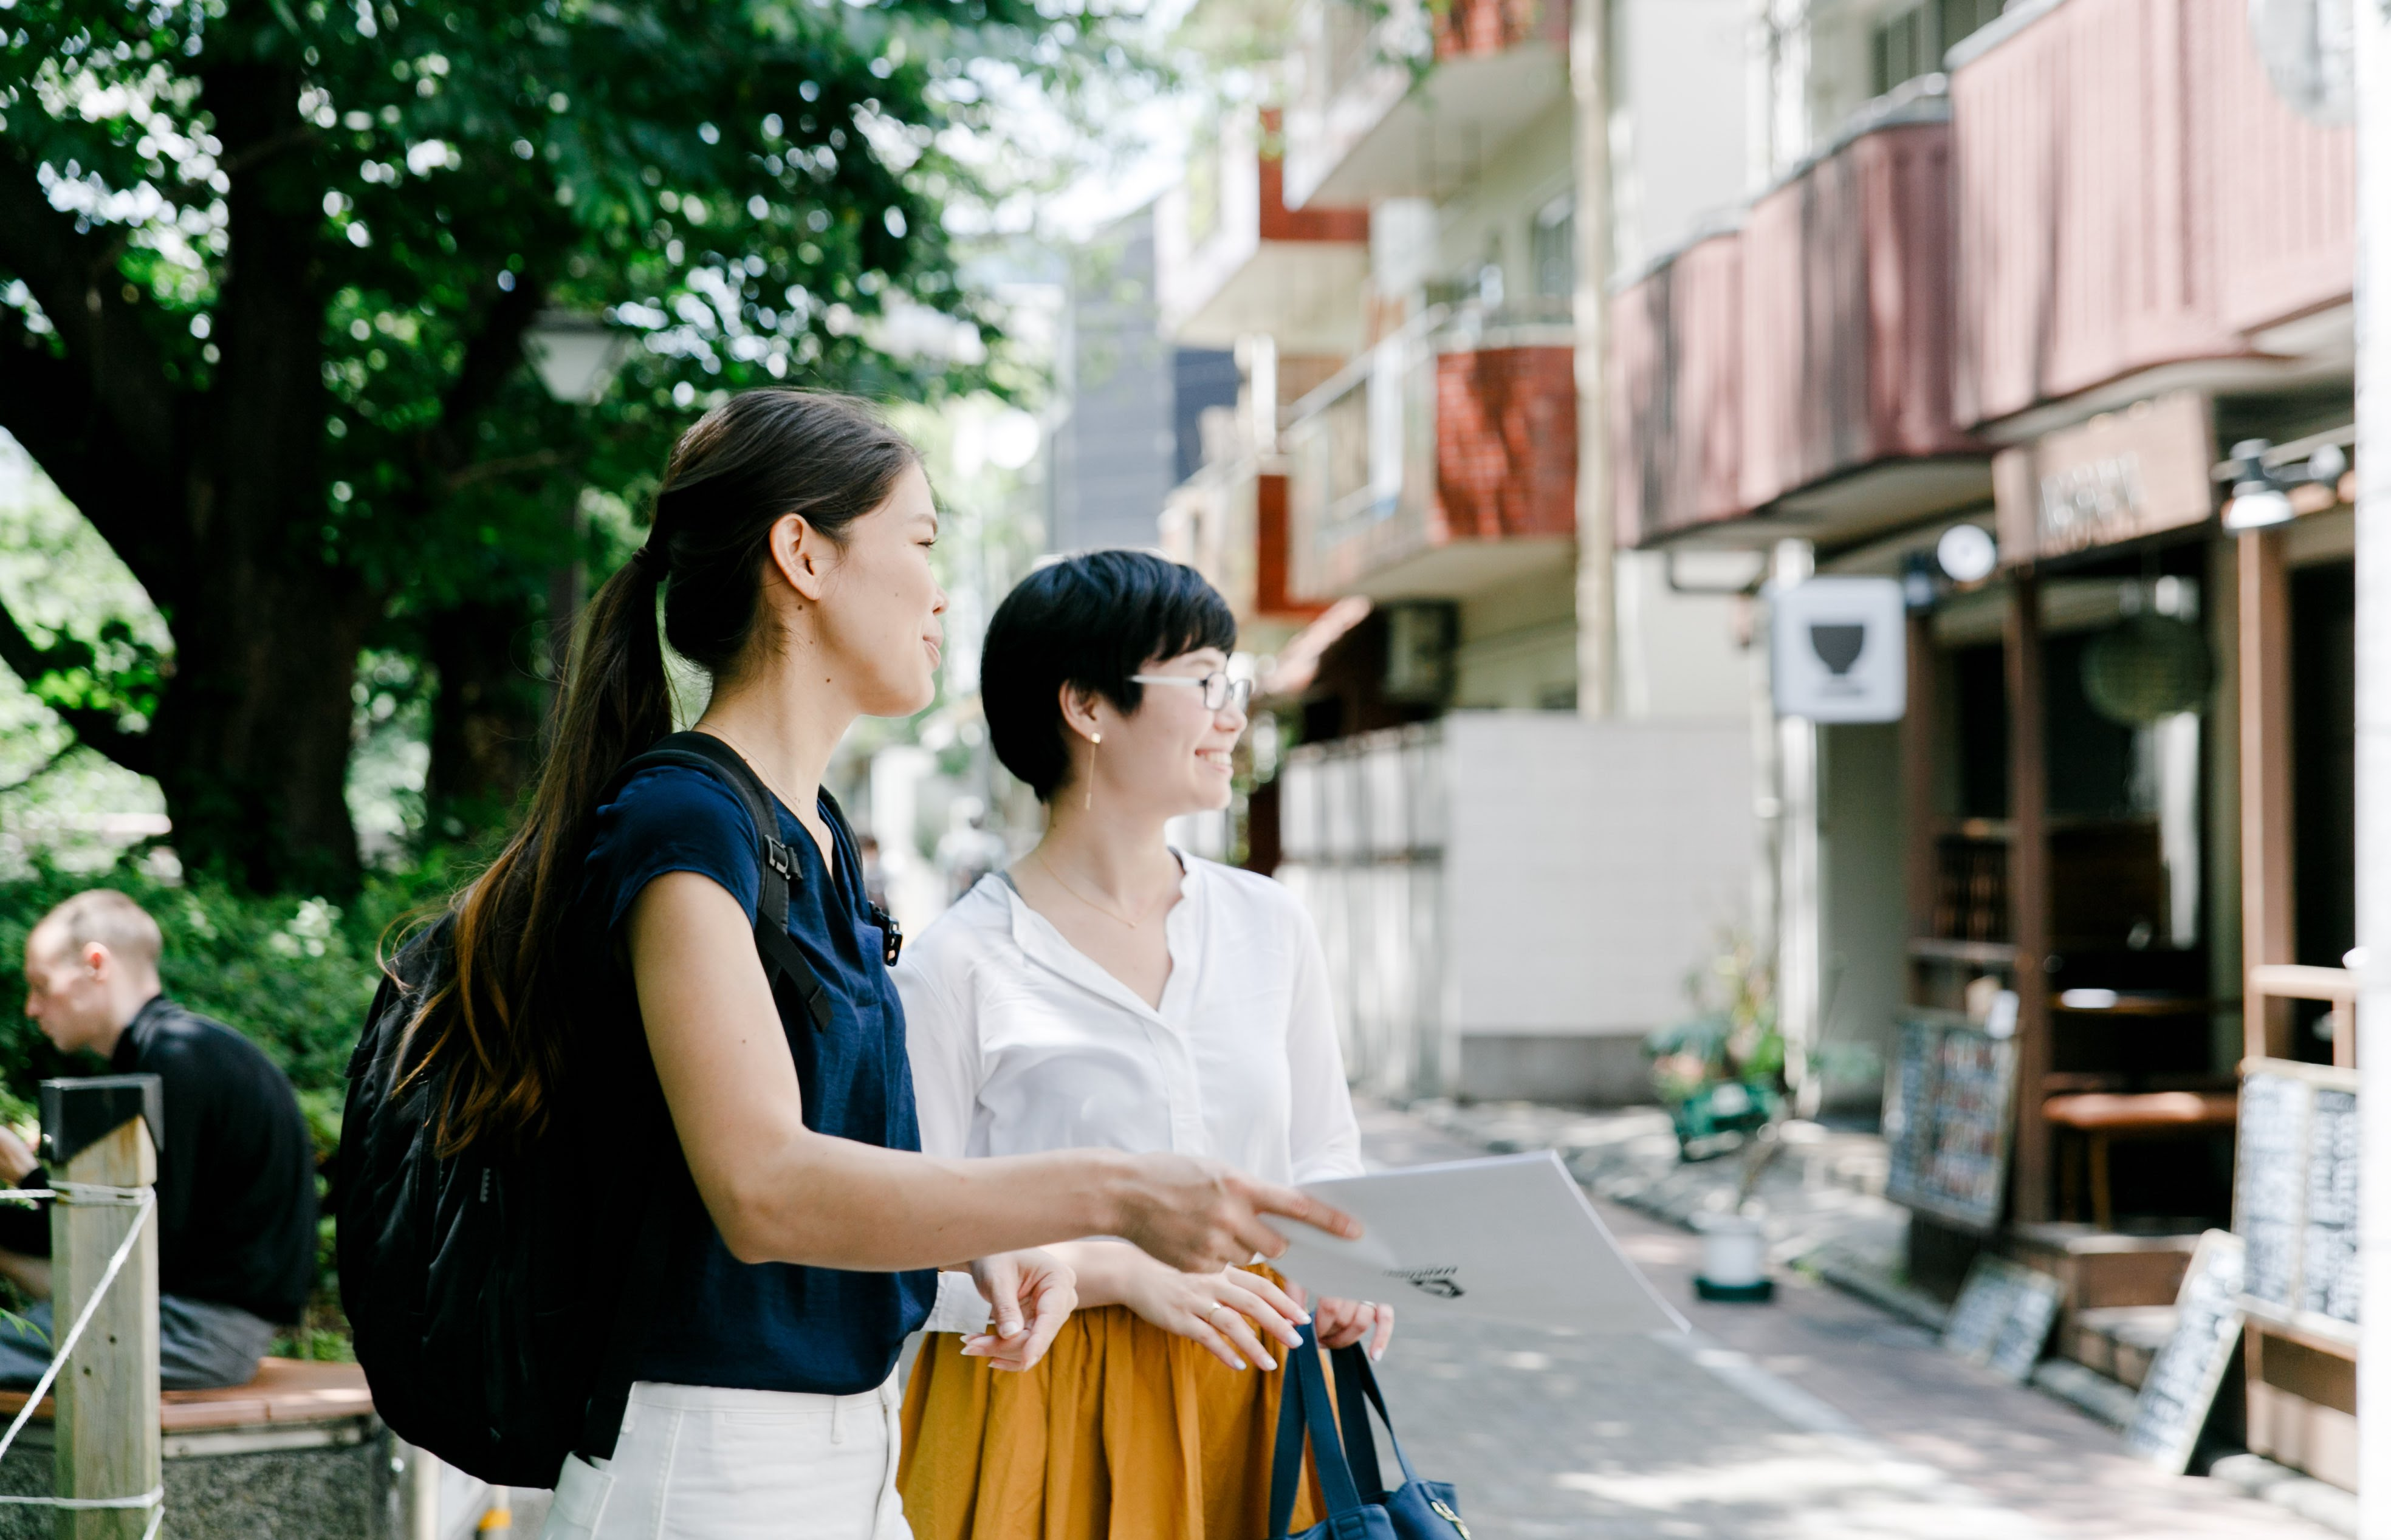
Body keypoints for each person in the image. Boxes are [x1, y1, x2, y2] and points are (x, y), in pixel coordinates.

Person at [394, 390, 1357, 1540]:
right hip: (703, 1468)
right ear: (802, 555)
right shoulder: (684, 821)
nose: (942, 593)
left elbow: (857, 1179)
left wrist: (999, 1240)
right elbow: (763, 1187)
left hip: (847, 1452)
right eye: (921, 542)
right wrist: (1116, 1195)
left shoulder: (813, 837)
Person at [895, 550, 1393, 1540]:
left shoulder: (1269, 923)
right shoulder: (959, 963)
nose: (1232, 715)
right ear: (1086, 705)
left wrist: (1350, 1271)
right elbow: (906, 1250)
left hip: (1256, 1390)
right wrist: (1116, 1271)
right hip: (1044, 1405)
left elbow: (1324, 1159)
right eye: (1204, 681)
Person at [4, 889, 317, 1390]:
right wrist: (25, 1175)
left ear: (96, 964)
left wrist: (24, 1182)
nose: (32, 1007)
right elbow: (119, 1229)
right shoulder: (187, 1050)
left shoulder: (172, 1064)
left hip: (191, 1331)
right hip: (190, 1319)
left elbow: (124, 1243)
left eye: (42, 985)